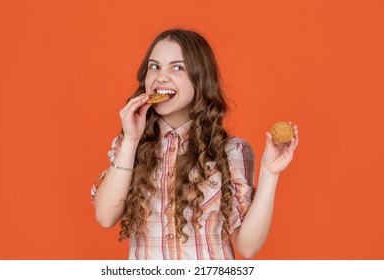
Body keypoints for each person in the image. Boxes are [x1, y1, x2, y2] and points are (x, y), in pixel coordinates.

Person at [91, 28, 299, 260]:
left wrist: (270, 173)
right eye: (154, 66)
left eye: (178, 67)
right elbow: (105, 216)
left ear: (200, 79)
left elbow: (247, 247)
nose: (161, 77)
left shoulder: (231, 151)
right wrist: (130, 140)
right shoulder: (129, 145)